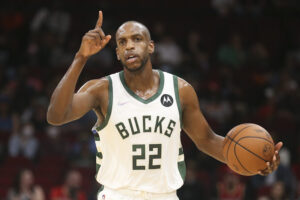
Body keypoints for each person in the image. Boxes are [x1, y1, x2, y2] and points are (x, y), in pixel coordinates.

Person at [47, 11, 283, 200]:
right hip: (118, 195)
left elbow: (207, 140)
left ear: (151, 46)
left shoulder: (180, 90)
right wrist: (81, 58)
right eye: (122, 42)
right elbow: (56, 116)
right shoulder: (101, 89)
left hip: (166, 196)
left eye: (137, 39)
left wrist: (257, 162)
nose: (129, 46)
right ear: (117, 53)